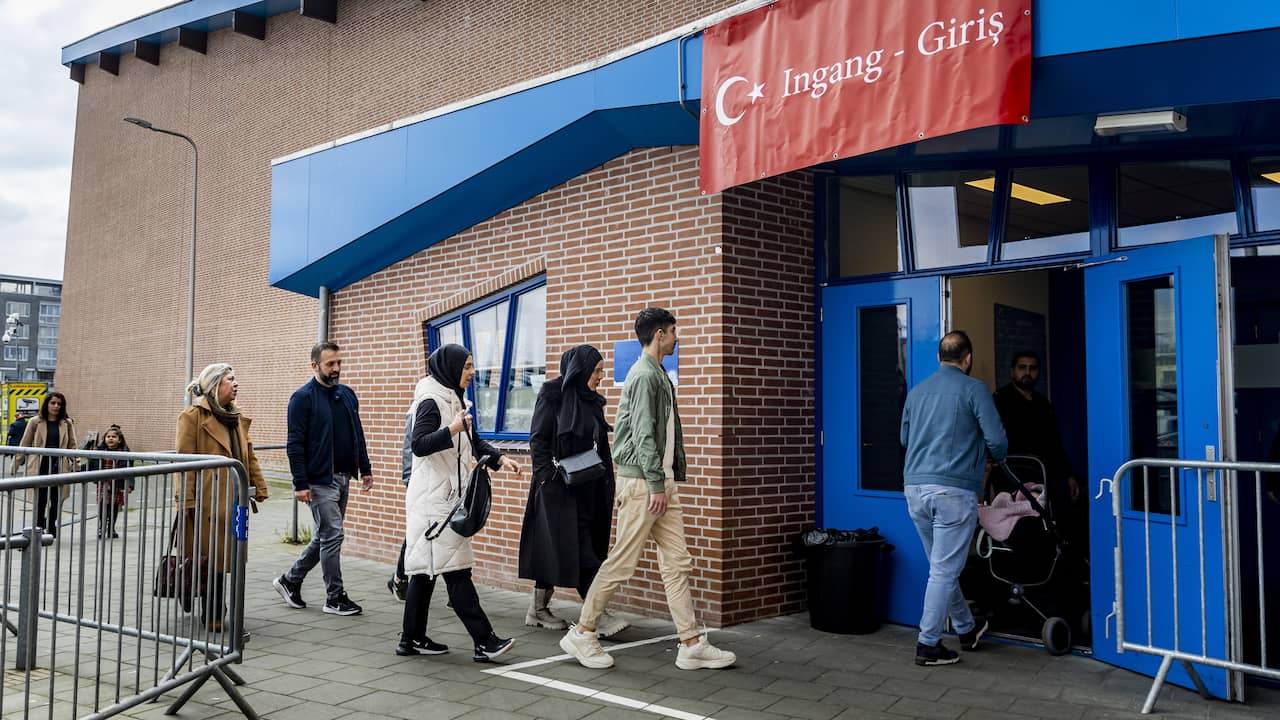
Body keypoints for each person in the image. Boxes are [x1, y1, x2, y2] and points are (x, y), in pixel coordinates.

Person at [560, 308, 735, 671]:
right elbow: (641, 435)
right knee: (622, 562)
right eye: (673, 332)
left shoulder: (657, 374)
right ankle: (583, 632)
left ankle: (690, 643)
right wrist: (657, 484)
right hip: (644, 485)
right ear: (659, 334)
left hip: (660, 484)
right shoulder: (643, 376)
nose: (676, 338)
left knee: (677, 564)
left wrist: (665, 482)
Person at [400, 344, 522, 662]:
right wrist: (451, 428)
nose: (472, 372)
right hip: (433, 501)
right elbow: (419, 445)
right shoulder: (430, 400)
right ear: (451, 368)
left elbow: (473, 441)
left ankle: (410, 639)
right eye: (467, 366)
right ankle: (484, 641)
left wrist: (500, 458)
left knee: (424, 573)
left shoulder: (455, 398)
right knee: (457, 570)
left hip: (444, 498)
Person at [900, 331, 1008, 666]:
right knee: (944, 571)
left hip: (915, 488)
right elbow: (997, 440)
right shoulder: (974, 389)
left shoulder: (917, 392)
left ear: (938, 358)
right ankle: (928, 643)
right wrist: (990, 457)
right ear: (968, 359)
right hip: (952, 490)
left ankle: (965, 628)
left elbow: (905, 438)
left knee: (940, 567)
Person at [519, 345, 627, 636]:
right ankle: (596, 615)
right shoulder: (552, 395)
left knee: (557, 547)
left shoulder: (590, 399)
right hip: (557, 488)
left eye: (602, 370)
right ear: (581, 370)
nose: (601, 376)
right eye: (597, 370)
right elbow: (538, 440)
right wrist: (547, 479)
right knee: (582, 551)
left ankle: (537, 610)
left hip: (586, 486)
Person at [274, 341, 374, 616]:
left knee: (325, 536)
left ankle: (290, 580)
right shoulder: (302, 398)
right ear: (314, 366)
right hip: (319, 480)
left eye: (339, 363)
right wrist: (300, 483)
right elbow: (294, 444)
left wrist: (365, 468)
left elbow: (358, 434)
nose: (337, 368)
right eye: (330, 364)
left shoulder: (347, 395)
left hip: (343, 477)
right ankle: (334, 597)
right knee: (333, 534)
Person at [176, 364, 270, 630]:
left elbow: (248, 456)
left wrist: (258, 487)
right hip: (206, 501)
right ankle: (214, 613)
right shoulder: (192, 417)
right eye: (231, 379)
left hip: (233, 500)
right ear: (216, 385)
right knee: (211, 557)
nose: (236, 383)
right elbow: (182, 462)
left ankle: (214, 603)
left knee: (229, 558)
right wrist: (186, 501)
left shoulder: (236, 418)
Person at [991, 351, 1080, 511]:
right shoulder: (1000, 400)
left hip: (1042, 474)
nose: (1027, 372)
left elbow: (1054, 442)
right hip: (1010, 473)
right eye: (1022, 367)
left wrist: (1068, 475)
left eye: (1032, 368)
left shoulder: (1043, 403)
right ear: (1012, 371)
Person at [15, 392, 76, 536]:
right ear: (46, 404)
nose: (56, 406)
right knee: (40, 499)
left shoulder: (66, 423)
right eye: (53, 403)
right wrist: (16, 464)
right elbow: (25, 443)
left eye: (59, 404)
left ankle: (51, 524)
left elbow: (73, 445)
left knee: (56, 498)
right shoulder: (35, 421)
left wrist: (76, 463)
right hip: (40, 464)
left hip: (59, 465)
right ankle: (39, 527)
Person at [90, 425, 135, 539]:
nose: (110, 438)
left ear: (119, 440)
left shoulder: (125, 454)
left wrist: (130, 485)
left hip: (117, 484)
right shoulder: (99, 451)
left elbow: (131, 471)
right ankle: (102, 527)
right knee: (102, 506)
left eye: (114, 437)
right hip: (103, 483)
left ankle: (111, 528)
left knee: (114, 507)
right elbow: (91, 465)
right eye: (108, 436)